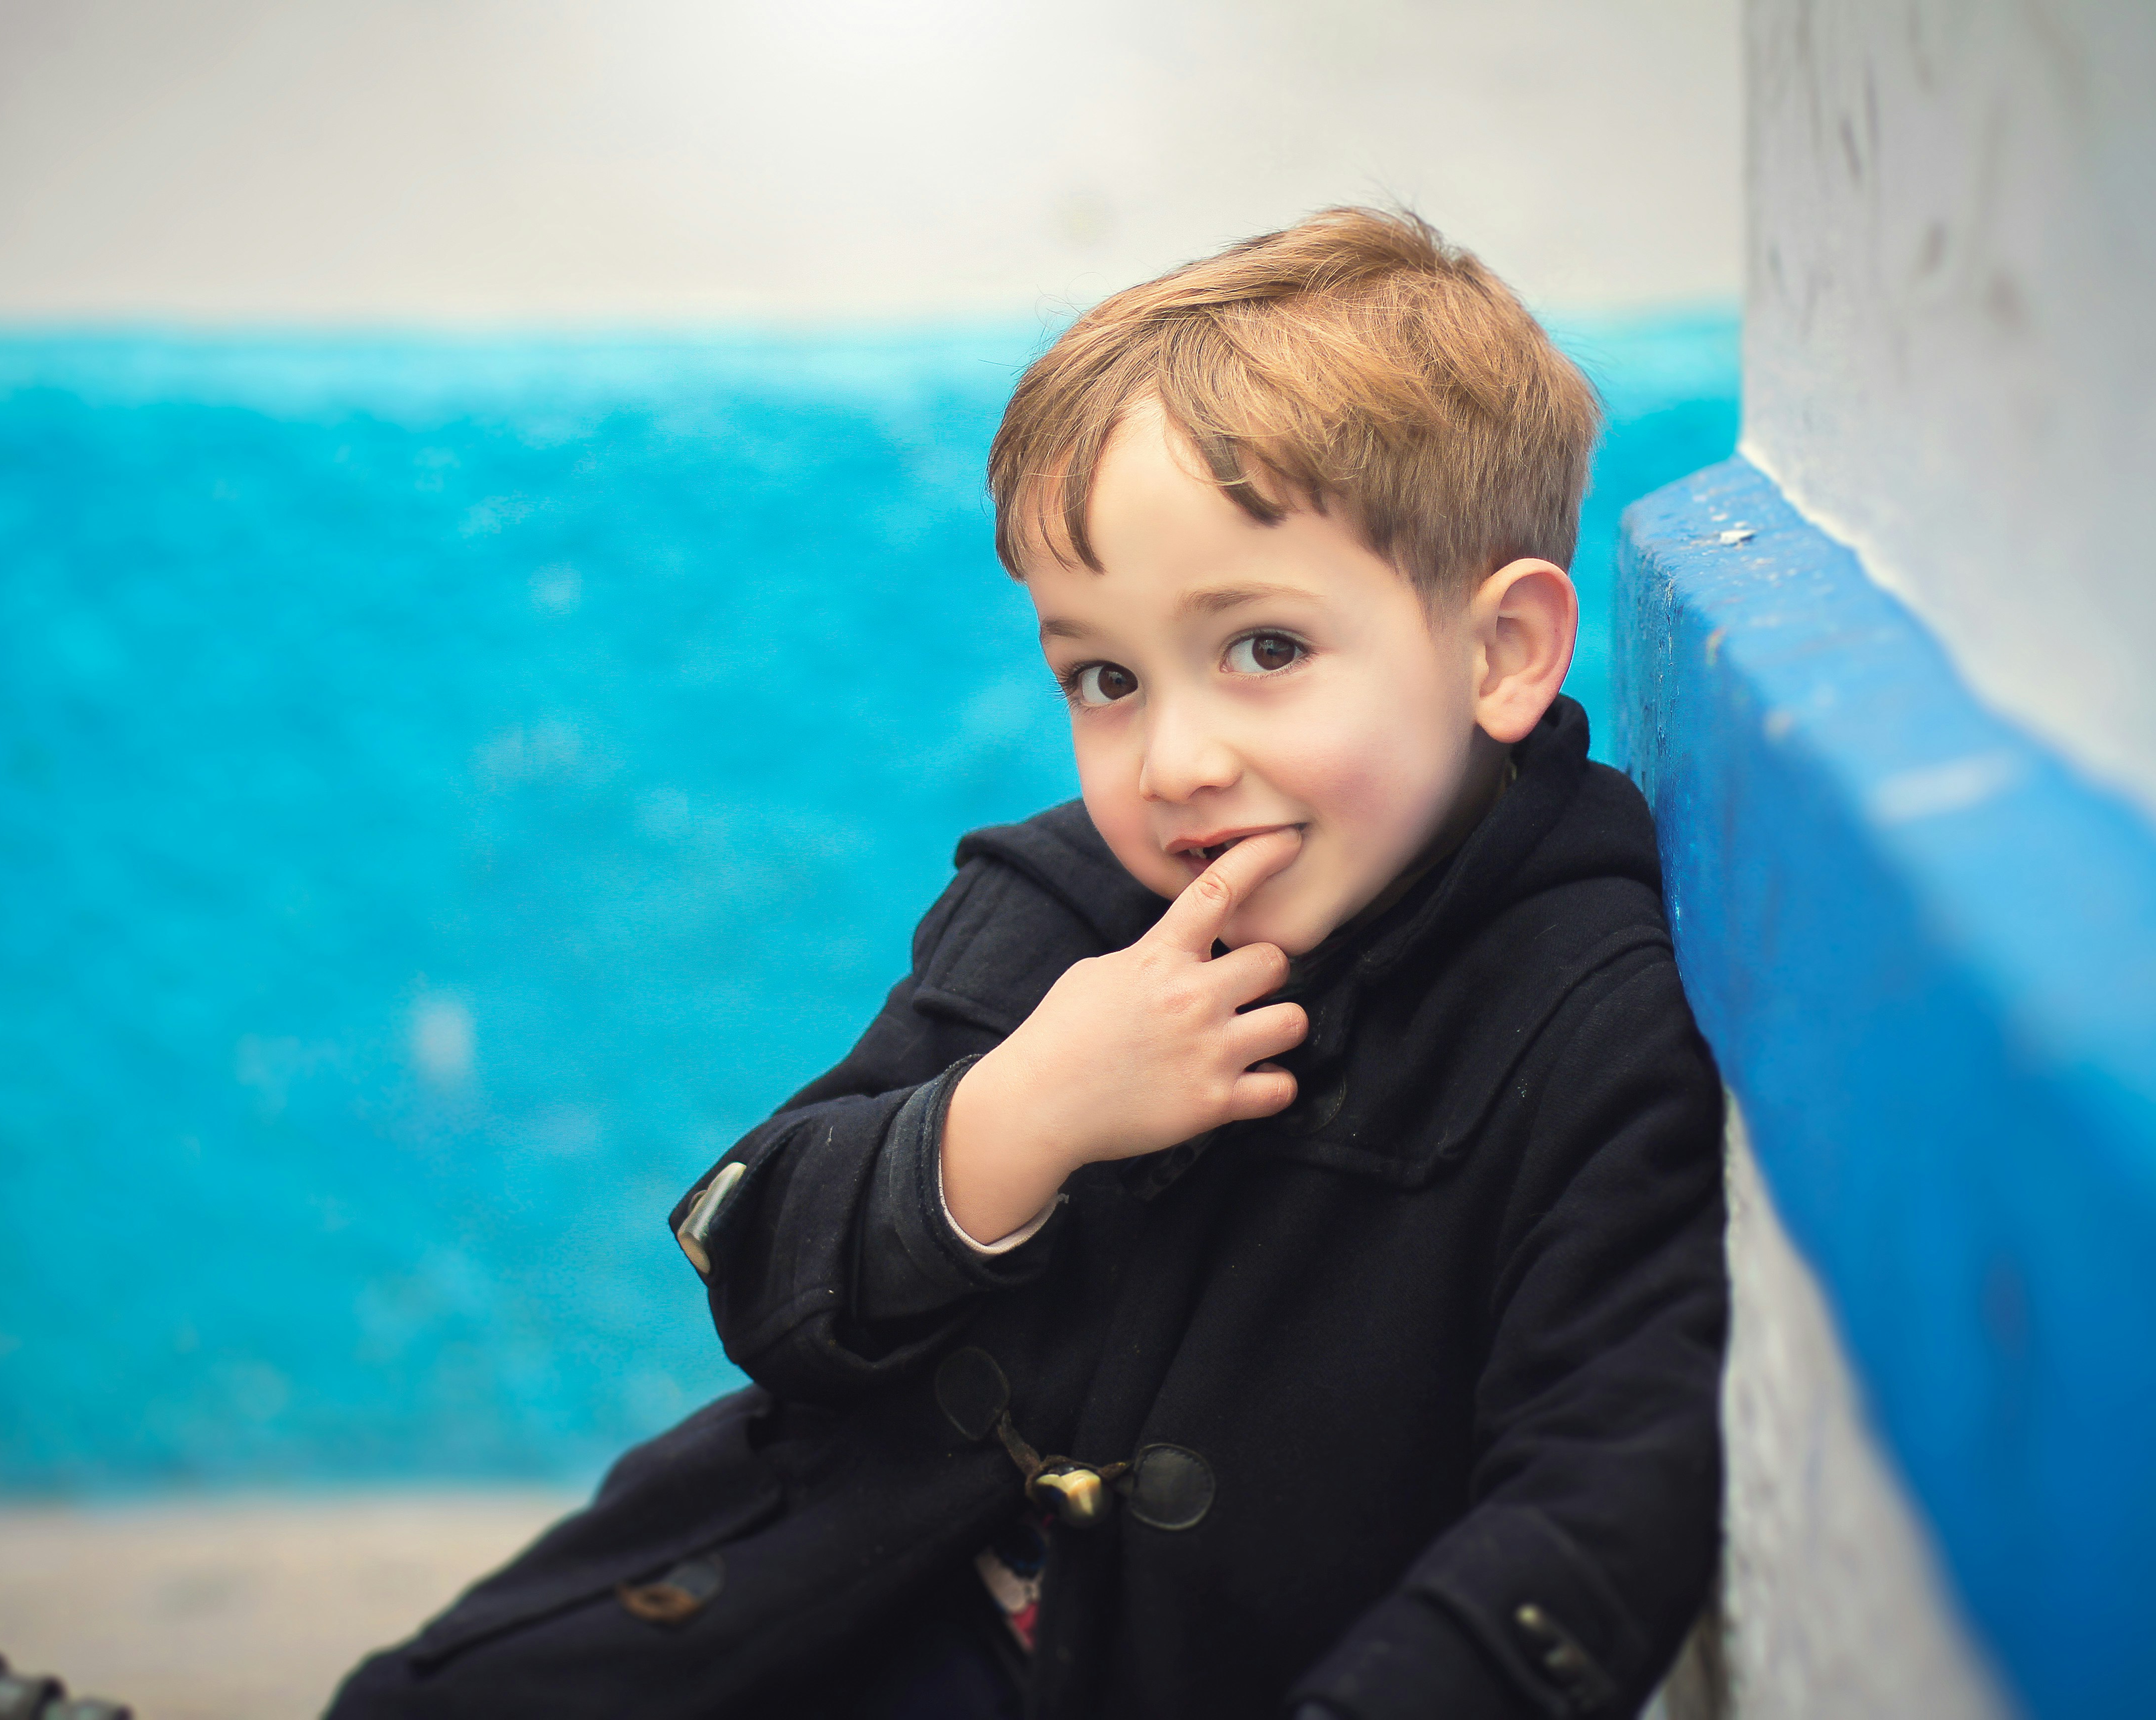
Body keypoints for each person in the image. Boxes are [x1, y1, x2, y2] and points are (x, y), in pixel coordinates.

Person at [326, 207, 1724, 1720]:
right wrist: (1016, 1116)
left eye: (1264, 649)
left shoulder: (1592, 1004)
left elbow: (1600, 1494)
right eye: (1105, 678)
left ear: (1502, 652)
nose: (1177, 760)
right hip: (811, 1632)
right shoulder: (1060, 904)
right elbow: (768, 1273)